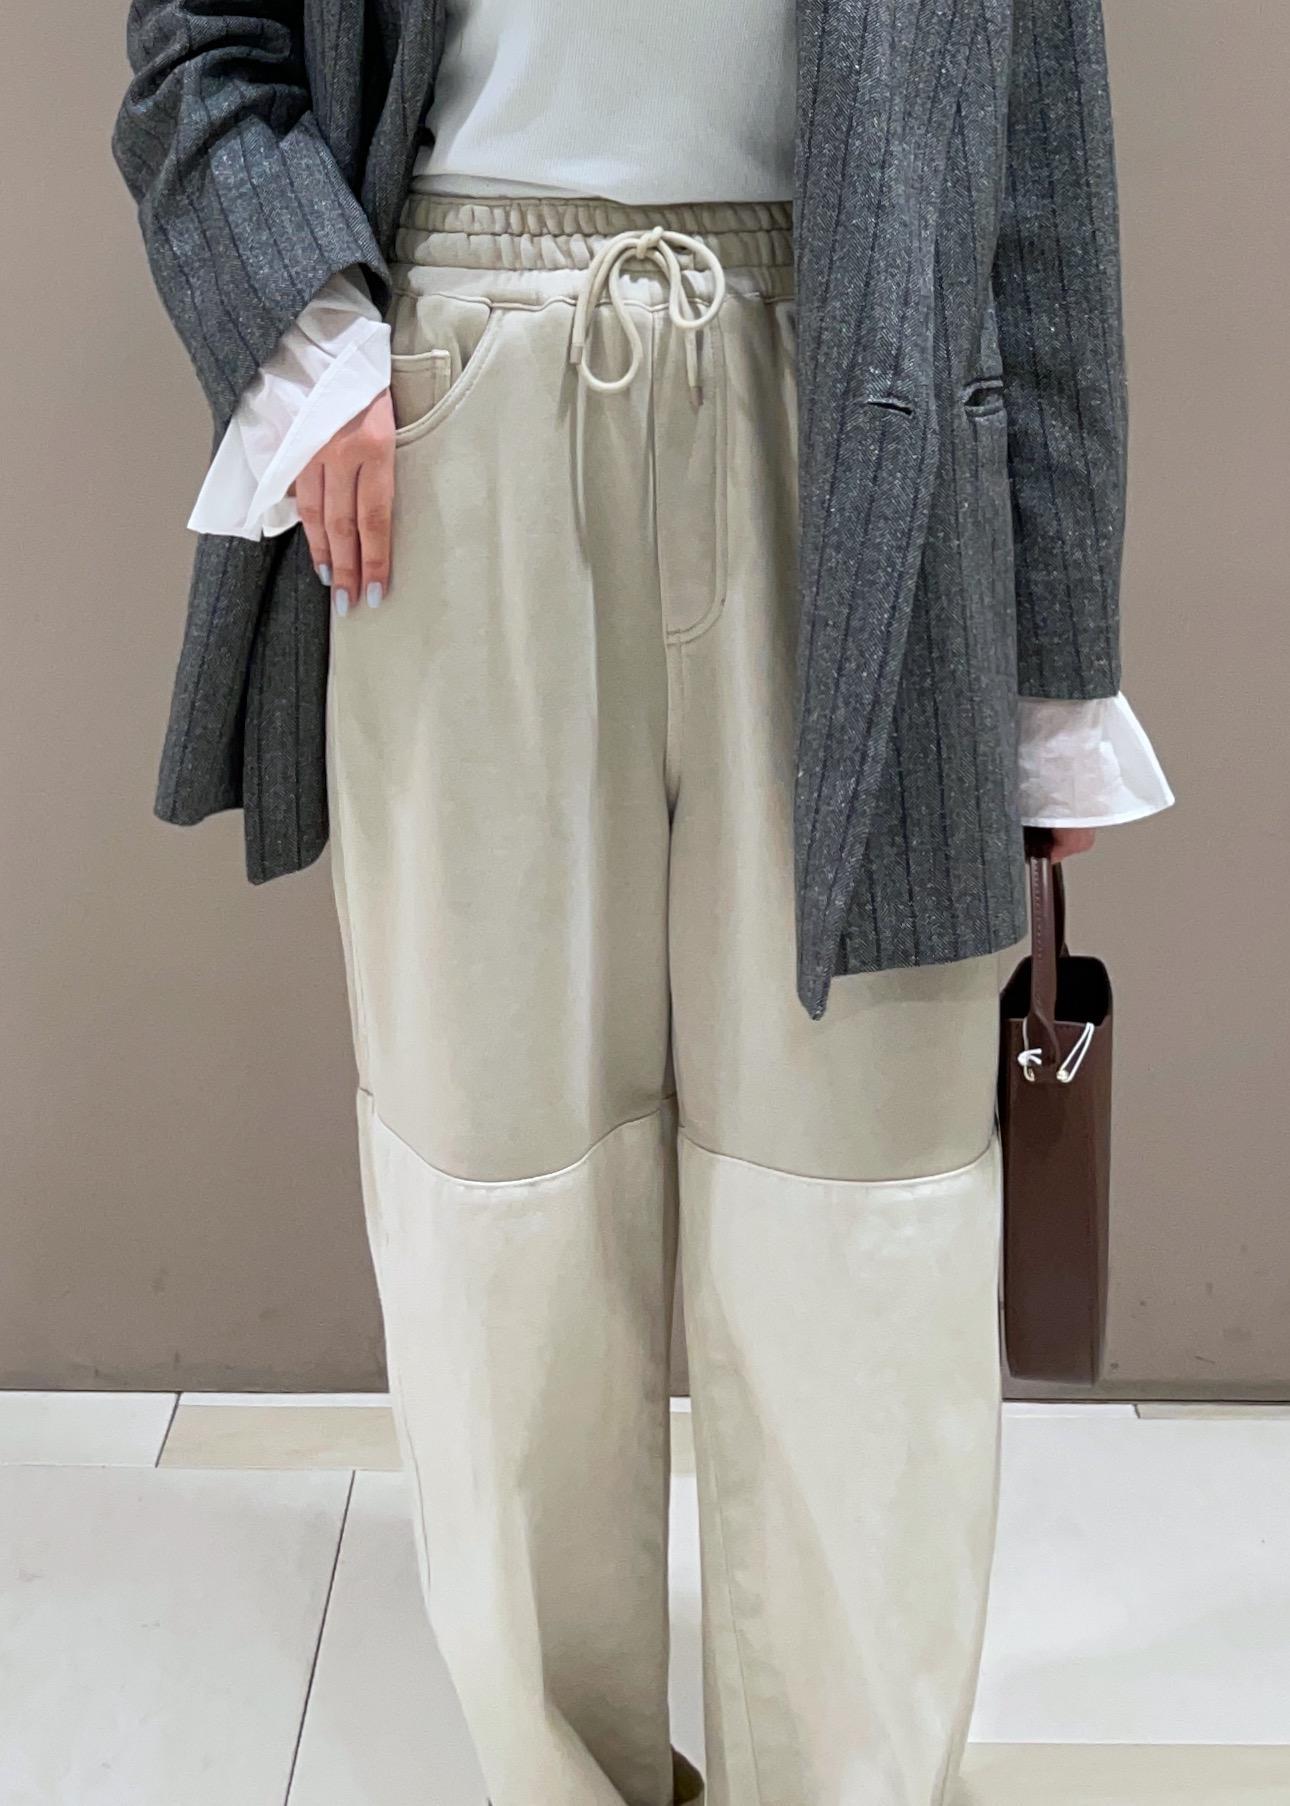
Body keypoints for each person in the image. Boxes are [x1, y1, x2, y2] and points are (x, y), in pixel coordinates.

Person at [113, 3, 1173, 1801]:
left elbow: (1037, 143)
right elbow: (202, 42)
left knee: (866, 1215)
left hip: (872, 431)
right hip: (468, 415)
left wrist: (1056, 666)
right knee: (497, 1191)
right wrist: (309, 340)